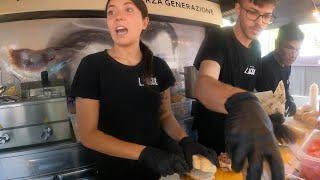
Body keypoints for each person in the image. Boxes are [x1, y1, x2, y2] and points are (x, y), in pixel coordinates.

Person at [70, 0, 217, 179]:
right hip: (113, 173)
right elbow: (88, 134)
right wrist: (145, 153)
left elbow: (165, 115)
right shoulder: (92, 66)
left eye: (128, 9)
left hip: (152, 172)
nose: (118, 17)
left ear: (145, 22)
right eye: (111, 12)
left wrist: (184, 140)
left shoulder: (159, 67)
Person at [193, 0, 284, 179]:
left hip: (242, 137)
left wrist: (269, 117)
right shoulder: (218, 37)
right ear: (237, 8)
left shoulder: (256, 47)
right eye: (252, 12)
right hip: (214, 139)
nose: (259, 22)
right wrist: (244, 103)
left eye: (266, 16)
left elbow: (252, 89)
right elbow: (204, 85)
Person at [256, 22, 304, 117]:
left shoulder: (286, 64)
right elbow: (268, 106)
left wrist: (291, 103)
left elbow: (284, 89)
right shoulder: (266, 67)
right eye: (290, 48)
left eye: (297, 49)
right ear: (277, 44)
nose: (293, 55)